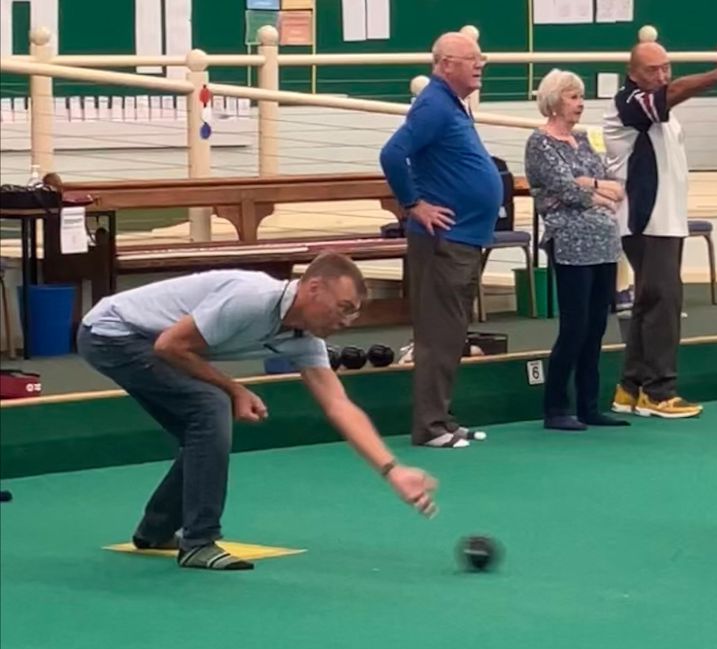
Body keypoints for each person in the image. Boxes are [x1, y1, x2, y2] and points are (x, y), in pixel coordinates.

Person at [77, 253, 440, 571]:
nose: (346, 321)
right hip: (112, 334)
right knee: (210, 407)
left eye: (353, 313)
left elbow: (339, 405)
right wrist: (234, 389)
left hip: (145, 340)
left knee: (202, 430)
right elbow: (170, 345)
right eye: (344, 307)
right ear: (313, 288)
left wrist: (393, 470)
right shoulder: (252, 298)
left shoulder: (304, 339)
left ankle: (156, 530)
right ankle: (199, 542)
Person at [379, 32, 502, 449]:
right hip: (443, 241)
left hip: (464, 238)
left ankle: (442, 419)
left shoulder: (451, 104)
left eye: (481, 57)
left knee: (451, 334)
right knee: (437, 335)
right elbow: (392, 154)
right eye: (472, 59)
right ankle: (430, 427)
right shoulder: (433, 104)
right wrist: (414, 204)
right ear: (446, 64)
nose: (480, 64)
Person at [603, 40, 717, 419]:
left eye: (666, 67)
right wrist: (716, 76)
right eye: (652, 70)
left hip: (666, 220)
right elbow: (672, 93)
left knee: (649, 301)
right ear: (632, 74)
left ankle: (630, 388)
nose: (661, 76)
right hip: (646, 221)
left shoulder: (659, 110)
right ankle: (659, 391)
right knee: (664, 301)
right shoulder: (629, 103)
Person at [524, 69, 628, 431]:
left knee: (597, 326)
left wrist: (591, 184)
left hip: (604, 242)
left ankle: (589, 406)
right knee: (574, 326)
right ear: (554, 102)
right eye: (572, 97)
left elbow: (614, 186)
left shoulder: (582, 140)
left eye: (581, 97)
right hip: (569, 242)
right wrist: (595, 190)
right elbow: (566, 190)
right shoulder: (540, 143)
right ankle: (556, 407)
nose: (580, 104)